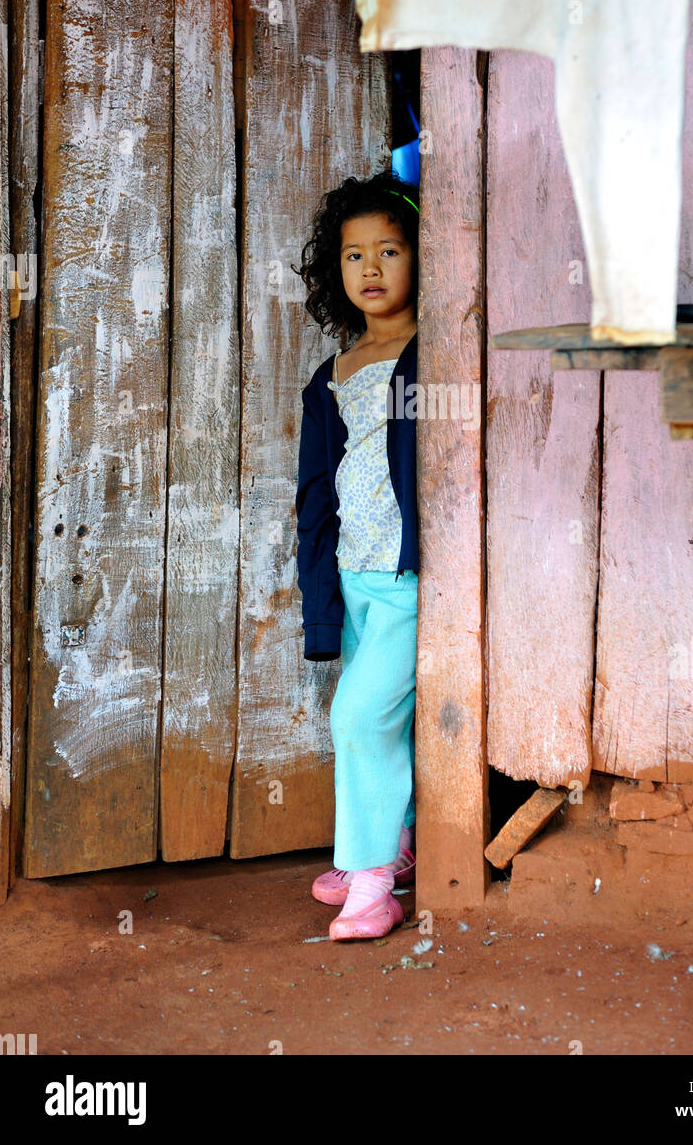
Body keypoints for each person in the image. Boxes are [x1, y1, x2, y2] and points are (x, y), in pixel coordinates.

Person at [293, 170, 420, 941]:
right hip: (355, 571)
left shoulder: (431, 352)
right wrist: (320, 587)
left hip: (411, 577)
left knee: (360, 715)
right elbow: (316, 490)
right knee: (379, 717)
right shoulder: (334, 372)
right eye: (352, 256)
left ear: (421, 259)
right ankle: (383, 844)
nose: (370, 269)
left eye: (389, 251)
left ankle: (372, 884)